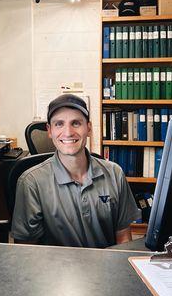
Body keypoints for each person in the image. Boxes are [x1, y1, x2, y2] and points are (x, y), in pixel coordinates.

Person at [11, 94, 140, 248]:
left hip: (105, 269)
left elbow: (123, 238)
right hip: (53, 270)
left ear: (89, 128)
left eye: (76, 123)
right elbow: (26, 251)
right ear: (49, 130)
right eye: (59, 124)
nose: (68, 132)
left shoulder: (114, 174)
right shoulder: (32, 182)